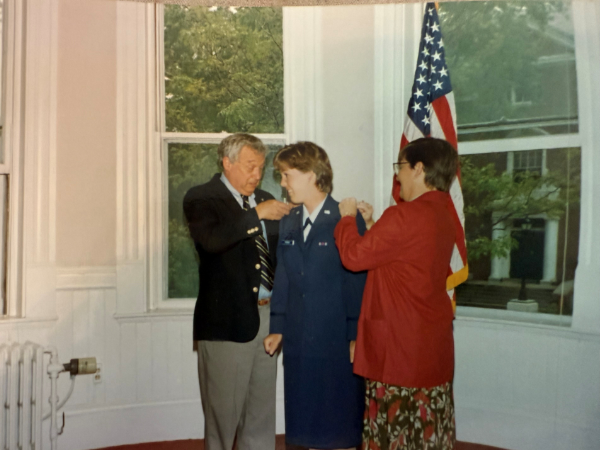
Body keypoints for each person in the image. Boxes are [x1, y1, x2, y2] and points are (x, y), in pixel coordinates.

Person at [334, 137, 459, 450]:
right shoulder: (443, 215)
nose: (397, 175)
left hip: (399, 353)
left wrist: (347, 219)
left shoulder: (403, 215)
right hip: (430, 347)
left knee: (395, 432)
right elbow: (404, 257)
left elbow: (353, 258)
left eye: (400, 167)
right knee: (427, 430)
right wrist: (373, 224)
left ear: (418, 169)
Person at [183, 133, 292, 450]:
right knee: (222, 420)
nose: (257, 175)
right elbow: (212, 241)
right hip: (225, 323)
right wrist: (256, 215)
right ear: (227, 162)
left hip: (267, 319)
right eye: (250, 166)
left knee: (260, 417)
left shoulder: (265, 198)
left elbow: (282, 254)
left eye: (260, 167)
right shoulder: (201, 198)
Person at [263, 141, 367, 450]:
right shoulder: (289, 221)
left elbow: (356, 282)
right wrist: (278, 327)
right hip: (298, 337)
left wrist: (354, 334)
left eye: (287, 175)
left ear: (311, 174)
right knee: (303, 421)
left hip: (335, 339)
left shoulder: (345, 219)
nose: (282, 184)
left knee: (337, 423)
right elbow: (282, 276)